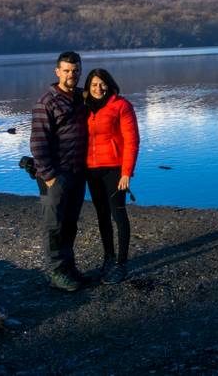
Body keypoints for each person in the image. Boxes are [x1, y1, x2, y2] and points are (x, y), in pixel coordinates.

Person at [30, 51, 89, 291]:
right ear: (57, 72)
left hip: (77, 172)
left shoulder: (79, 98)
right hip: (56, 175)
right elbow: (37, 143)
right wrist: (50, 176)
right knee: (53, 225)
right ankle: (55, 272)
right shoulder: (46, 102)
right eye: (66, 71)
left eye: (75, 71)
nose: (71, 75)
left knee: (70, 223)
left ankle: (68, 267)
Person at [84, 68, 140, 284]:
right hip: (91, 170)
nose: (98, 88)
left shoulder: (121, 106)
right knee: (102, 216)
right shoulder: (85, 108)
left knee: (118, 214)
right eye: (94, 84)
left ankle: (121, 264)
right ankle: (108, 257)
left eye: (102, 84)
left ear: (109, 84)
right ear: (88, 87)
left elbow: (132, 141)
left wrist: (127, 172)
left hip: (115, 169)